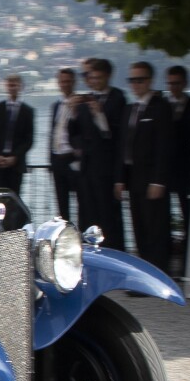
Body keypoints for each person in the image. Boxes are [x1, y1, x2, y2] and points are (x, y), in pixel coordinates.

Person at [114, 61, 174, 271]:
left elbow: (163, 147)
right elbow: (123, 146)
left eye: (140, 80)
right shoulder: (130, 109)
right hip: (133, 176)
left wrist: (159, 180)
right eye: (132, 80)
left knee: (155, 227)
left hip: (151, 177)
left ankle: (159, 270)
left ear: (150, 81)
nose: (135, 84)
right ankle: (144, 271)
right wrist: (120, 179)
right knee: (139, 226)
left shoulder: (161, 108)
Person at [72, 58, 127, 249]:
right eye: (91, 77)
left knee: (109, 216)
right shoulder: (84, 101)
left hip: (107, 169)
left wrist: (99, 115)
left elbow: (117, 137)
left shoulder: (118, 98)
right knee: (87, 214)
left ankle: (114, 252)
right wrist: (72, 113)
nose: (94, 81)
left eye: (98, 77)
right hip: (87, 168)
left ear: (108, 77)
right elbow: (75, 133)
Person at [165, 65, 190, 274]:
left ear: (185, 83)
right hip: (166, 168)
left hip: (187, 167)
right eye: (170, 83)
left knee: (188, 218)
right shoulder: (161, 105)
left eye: (177, 83)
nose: (173, 87)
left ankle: (187, 265)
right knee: (162, 219)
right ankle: (166, 263)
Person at [0, 74, 34, 194]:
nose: (12, 88)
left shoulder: (27, 111)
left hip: (16, 164)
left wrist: (15, 156)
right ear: (6, 87)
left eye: (15, 85)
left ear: (20, 87)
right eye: (10, 85)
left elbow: (28, 139)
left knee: (14, 198)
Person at [47, 68, 80, 221]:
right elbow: (52, 132)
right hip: (57, 159)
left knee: (81, 201)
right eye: (62, 81)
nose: (64, 84)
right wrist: (51, 160)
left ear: (74, 82)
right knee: (62, 205)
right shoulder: (56, 105)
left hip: (72, 158)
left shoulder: (80, 104)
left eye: (67, 81)